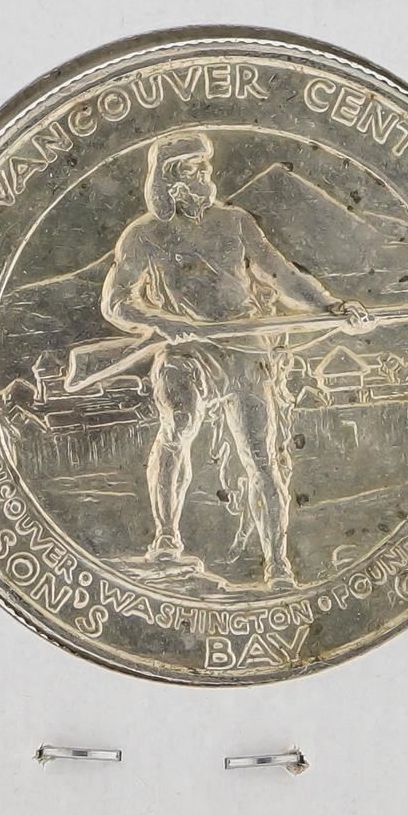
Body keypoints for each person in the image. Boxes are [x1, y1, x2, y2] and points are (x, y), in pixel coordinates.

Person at [100, 130, 371, 589]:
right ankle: (166, 539)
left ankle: (278, 566)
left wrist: (332, 307)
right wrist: (162, 322)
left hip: (245, 348)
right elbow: (117, 303)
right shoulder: (144, 235)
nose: (203, 176)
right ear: (168, 181)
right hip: (186, 352)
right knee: (177, 430)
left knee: (261, 457)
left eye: (203, 167)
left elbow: (280, 273)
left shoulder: (235, 223)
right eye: (190, 170)